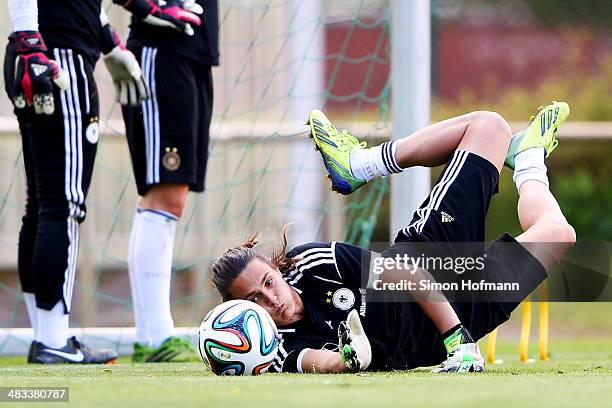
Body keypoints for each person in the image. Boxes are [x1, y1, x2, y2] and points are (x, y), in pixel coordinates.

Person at [210, 101, 576, 373]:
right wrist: (347, 359)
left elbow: (404, 273)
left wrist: (458, 341)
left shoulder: (312, 263)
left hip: (431, 259)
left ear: (276, 269)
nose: (271, 299)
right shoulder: (272, 348)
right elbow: (319, 362)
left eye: (269, 282)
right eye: (255, 298)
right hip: (468, 311)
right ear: (240, 308)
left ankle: (360, 165)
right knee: (560, 234)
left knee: (489, 127)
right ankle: (530, 158)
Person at [3, 0, 200, 364]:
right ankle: (52, 340)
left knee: (42, 202)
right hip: (56, 57)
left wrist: (109, 43)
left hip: (45, 51)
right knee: (62, 203)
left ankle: (47, 336)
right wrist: (31, 39)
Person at [120, 0, 220, 362]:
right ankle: (155, 334)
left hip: (195, 51)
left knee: (170, 198)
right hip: (162, 50)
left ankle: (152, 334)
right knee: (163, 194)